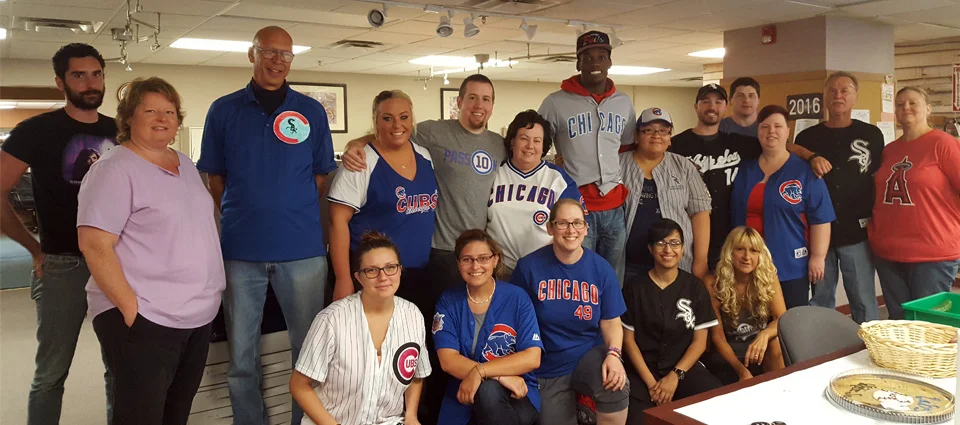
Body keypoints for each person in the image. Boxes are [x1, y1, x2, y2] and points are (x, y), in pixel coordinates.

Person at [340, 74, 505, 424]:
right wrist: (357, 143)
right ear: (458, 101)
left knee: (439, 342)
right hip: (437, 256)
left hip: (464, 259)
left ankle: (436, 411)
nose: (479, 105)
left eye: (486, 99)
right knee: (398, 345)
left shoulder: (496, 144)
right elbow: (391, 132)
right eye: (472, 97)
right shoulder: (432, 134)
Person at [196, 26, 337, 425]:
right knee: (241, 358)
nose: (278, 60)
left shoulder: (310, 111)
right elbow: (215, 179)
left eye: (286, 54)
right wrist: (250, 211)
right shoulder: (223, 110)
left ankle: (302, 422)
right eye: (269, 52)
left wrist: (284, 206)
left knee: (308, 355)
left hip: (303, 253)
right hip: (241, 253)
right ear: (251, 54)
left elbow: (320, 177)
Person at [77, 77, 225, 425]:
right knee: (140, 416)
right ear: (129, 118)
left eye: (170, 111)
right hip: (145, 317)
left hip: (195, 316)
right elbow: (95, 245)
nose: (162, 118)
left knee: (175, 413)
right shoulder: (113, 170)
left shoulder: (185, 164)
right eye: (150, 110)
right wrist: (131, 309)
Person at [0, 43, 117, 425]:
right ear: (59, 82)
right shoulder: (35, 131)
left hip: (117, 265)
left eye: (96, 73)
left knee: (121, 368)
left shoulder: (119, 131)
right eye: (78, 75)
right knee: (51, 373)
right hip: (62, 265)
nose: (90, 83)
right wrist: (34, 249)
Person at [290, 231, 431, 425]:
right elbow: (299, 386)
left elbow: (417, 375)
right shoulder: (332, 320)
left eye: (390, 267)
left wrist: (411, 415)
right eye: (372, 270)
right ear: (358, 277)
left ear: (399, 270)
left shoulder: (413, 315)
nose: (383, 277)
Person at [512, 199, 629, 425]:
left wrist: (614, 354)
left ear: (586, 229)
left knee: (616, 383)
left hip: (587, 354)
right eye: (563, 223)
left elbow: (611, 321)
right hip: (548, 363)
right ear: (550, 228)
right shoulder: (528, 267)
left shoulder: (601, 269)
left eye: (577, 223)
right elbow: (516, 321)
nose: (571, 230)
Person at [538, 30, 636, 281]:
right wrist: (555, 164)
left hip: (614, 207)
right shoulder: (555, 102)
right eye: (588, 57)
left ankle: (612, 321)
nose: (595, 63)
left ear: (609, 62)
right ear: (578, 63)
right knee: (580, 276)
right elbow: (536, 145)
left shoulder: (624, 102)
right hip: (577, 206)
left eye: (601, 57)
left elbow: (625, 148)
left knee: (613, 278)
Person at [327, 90, 437, 309]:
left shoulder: (425, 156)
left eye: (404, 117)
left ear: (412, 119)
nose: (397, 125)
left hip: (417, 275)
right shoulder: (360, 162)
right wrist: (343, 279)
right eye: (387, 118)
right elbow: (336, 222)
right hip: (374, 278)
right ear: (376, 121)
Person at [793, 72, 884, 324]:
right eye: (832, 90)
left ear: (855, 97)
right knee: (821, 301)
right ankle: (823, 353)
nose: (838, 95)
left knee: (864, 300)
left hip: (858, 232)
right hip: (818, 232)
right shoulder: (807, 138)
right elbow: (786, 150)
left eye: (845, 90)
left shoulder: (873, 136)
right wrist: (809, 155)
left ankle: (869, 352)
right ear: (824, 97)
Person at [433, 229, 543, 425]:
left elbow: (532, 357)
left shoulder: (517, 298)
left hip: (516, 394)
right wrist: (498, 374)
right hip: (465, 391)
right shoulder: (448, 300)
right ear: (458, 264)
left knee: (488, 390)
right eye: (467, 259)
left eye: (483, 258)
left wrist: (481, 372)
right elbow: (448, 361)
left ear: (496, 260)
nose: (475, 265)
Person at [730, 105, 836, 309]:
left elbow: (821, 218)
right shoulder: (744, 169)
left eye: (778, 126)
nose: (771, 131)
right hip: (747, 264)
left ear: (787, 132)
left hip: (790, 264)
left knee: (791, 324)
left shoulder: (805, 172)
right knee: (752, 323)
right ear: (757, 131)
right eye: (765, 126)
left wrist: (818, 257)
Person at [869, 86, 960, 320]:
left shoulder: (943, 144)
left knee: (928, 325)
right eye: (900, 104)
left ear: (928, 109)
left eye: (913, 103)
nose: (906, 108)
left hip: (931, 254)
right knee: (899, 322)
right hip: (888, 252)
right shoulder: (890, 150)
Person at [620, 219, 721, 424]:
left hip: (684, 368)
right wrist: (652, 384)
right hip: (642, 373)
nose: (668, 249)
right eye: (660, 243)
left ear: (683, 248)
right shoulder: (634, 288)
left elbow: (700, 342)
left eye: (675, 243)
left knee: (716, 404)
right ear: (650, 248)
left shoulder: (695, 287)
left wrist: (675, 376)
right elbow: (628, 341)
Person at [668, 84, 761, 271]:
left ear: (725, 107)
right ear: (696, 107)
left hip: (729, 236)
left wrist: (810, 157)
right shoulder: (676, 145)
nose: (712, 107)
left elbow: (777, 145)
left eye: (718, 102)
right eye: (706, 102)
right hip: (688, 235)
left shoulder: (738, 143)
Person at [619, 107, 711, 281]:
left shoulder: (684, 166)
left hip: (676, 264)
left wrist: (701, 261)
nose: (657, 135)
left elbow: (701, 213)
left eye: (663, 131)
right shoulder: (618, 165)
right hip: (627, 266)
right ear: (637, 136)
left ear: (670, 138)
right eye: (649, 130)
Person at [487, 110, 580, 275]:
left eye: (537, 140)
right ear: (512, 141)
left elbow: (574, 228)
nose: (530, 146)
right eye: (524, 138)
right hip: (499, 268)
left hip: (544, 268)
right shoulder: (493, 173)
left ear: (543, 146)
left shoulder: (558, 179)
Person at [703, 226, 786, 385]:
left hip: (759, 351)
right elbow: (717, 337)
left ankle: (780, 392)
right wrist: (741, 371)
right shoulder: (712, 283)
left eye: (754, 251)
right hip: (729, 355)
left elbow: (781, 318)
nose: (747, 257)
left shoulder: (769, 277)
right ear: (729, 252)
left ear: (760, 255)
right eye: (740, 249)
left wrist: (765, 334)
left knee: (776, 344)